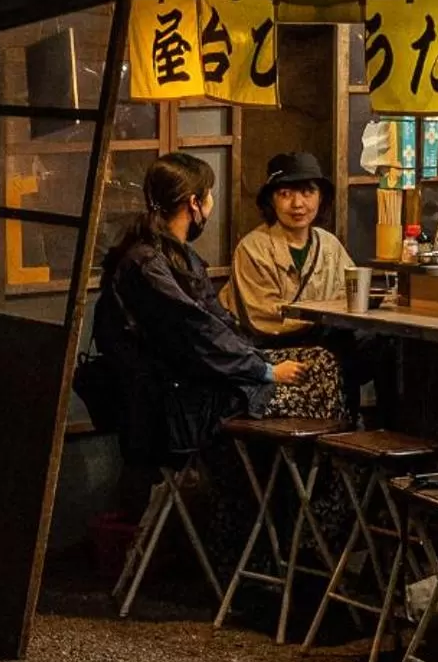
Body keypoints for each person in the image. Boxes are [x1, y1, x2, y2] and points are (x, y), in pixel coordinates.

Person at [94, 153, 340, 470]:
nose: (298, 203)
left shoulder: (177, 255)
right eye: (209, 195)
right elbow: (198, 333)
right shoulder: (148, 264)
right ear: (194, 203)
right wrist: (265, 371)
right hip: (185, 398)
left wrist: (259, 360)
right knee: (319, 387)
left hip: (206, 376)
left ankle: (296, 500)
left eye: (308, 192)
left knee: (322, 362)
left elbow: (219, 322)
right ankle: (301, 502)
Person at [223, 150, 352, 341]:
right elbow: (264, 317)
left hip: (324, 337)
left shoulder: (329, 245)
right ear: (271, 200)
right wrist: (324, 317)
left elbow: (350, 297)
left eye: (308, 192)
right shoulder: (253, 248)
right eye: (285, 194)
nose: (298, 203)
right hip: (269, 346)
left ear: (321, 197)